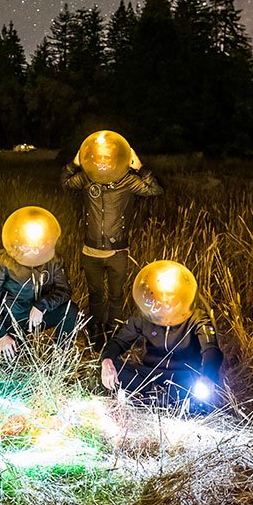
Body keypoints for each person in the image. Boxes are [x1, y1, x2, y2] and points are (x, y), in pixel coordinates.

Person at [61, 130, 162, 350]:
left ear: (116, 158)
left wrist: (140, 167)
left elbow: (155, 189)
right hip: (91, 252)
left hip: (118, 252)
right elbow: (66, 183)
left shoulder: (128, 181)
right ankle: (97, 334)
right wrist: (75, 163)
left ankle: (115, 334)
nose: (103, 161)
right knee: (95, 295)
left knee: (116, 296)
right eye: (99, 156)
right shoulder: (87, 178)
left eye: (107, 157)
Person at [99, 260, 223, 409]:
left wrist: (208, 376)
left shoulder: (197, 317)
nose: (166, 300)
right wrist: (107, 361)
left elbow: (211, 349)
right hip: (149, 374)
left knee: (201, 388)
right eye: (162, 294)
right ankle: (158, 397)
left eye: (170, 294)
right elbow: (119, 341)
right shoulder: (146, 316)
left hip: (183, 378)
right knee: (114, 368)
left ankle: (155, 399)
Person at [0, 206, 81, 360]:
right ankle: (14, 347)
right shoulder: (4, 261)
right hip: (13, 320)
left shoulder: (53, 260)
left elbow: (64, 291)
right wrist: (1, 335)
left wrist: (42, 305)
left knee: (70, 310)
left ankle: (61, 358)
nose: (34, 247)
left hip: (38, 315)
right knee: (10, 366)